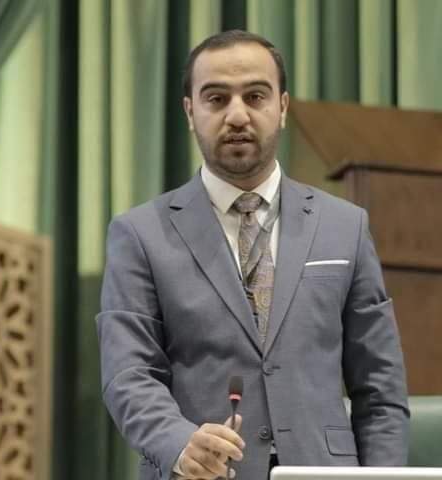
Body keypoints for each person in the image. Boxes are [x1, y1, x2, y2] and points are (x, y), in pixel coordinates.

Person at [96, 30, 410, 480]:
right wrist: (179, 443)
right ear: (190, 112)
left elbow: (380, 388)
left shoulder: (346, 227)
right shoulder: (139, 234)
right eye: (216, 98)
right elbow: (128, 374)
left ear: (282, 106)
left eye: (255, 96)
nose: (237, 115)